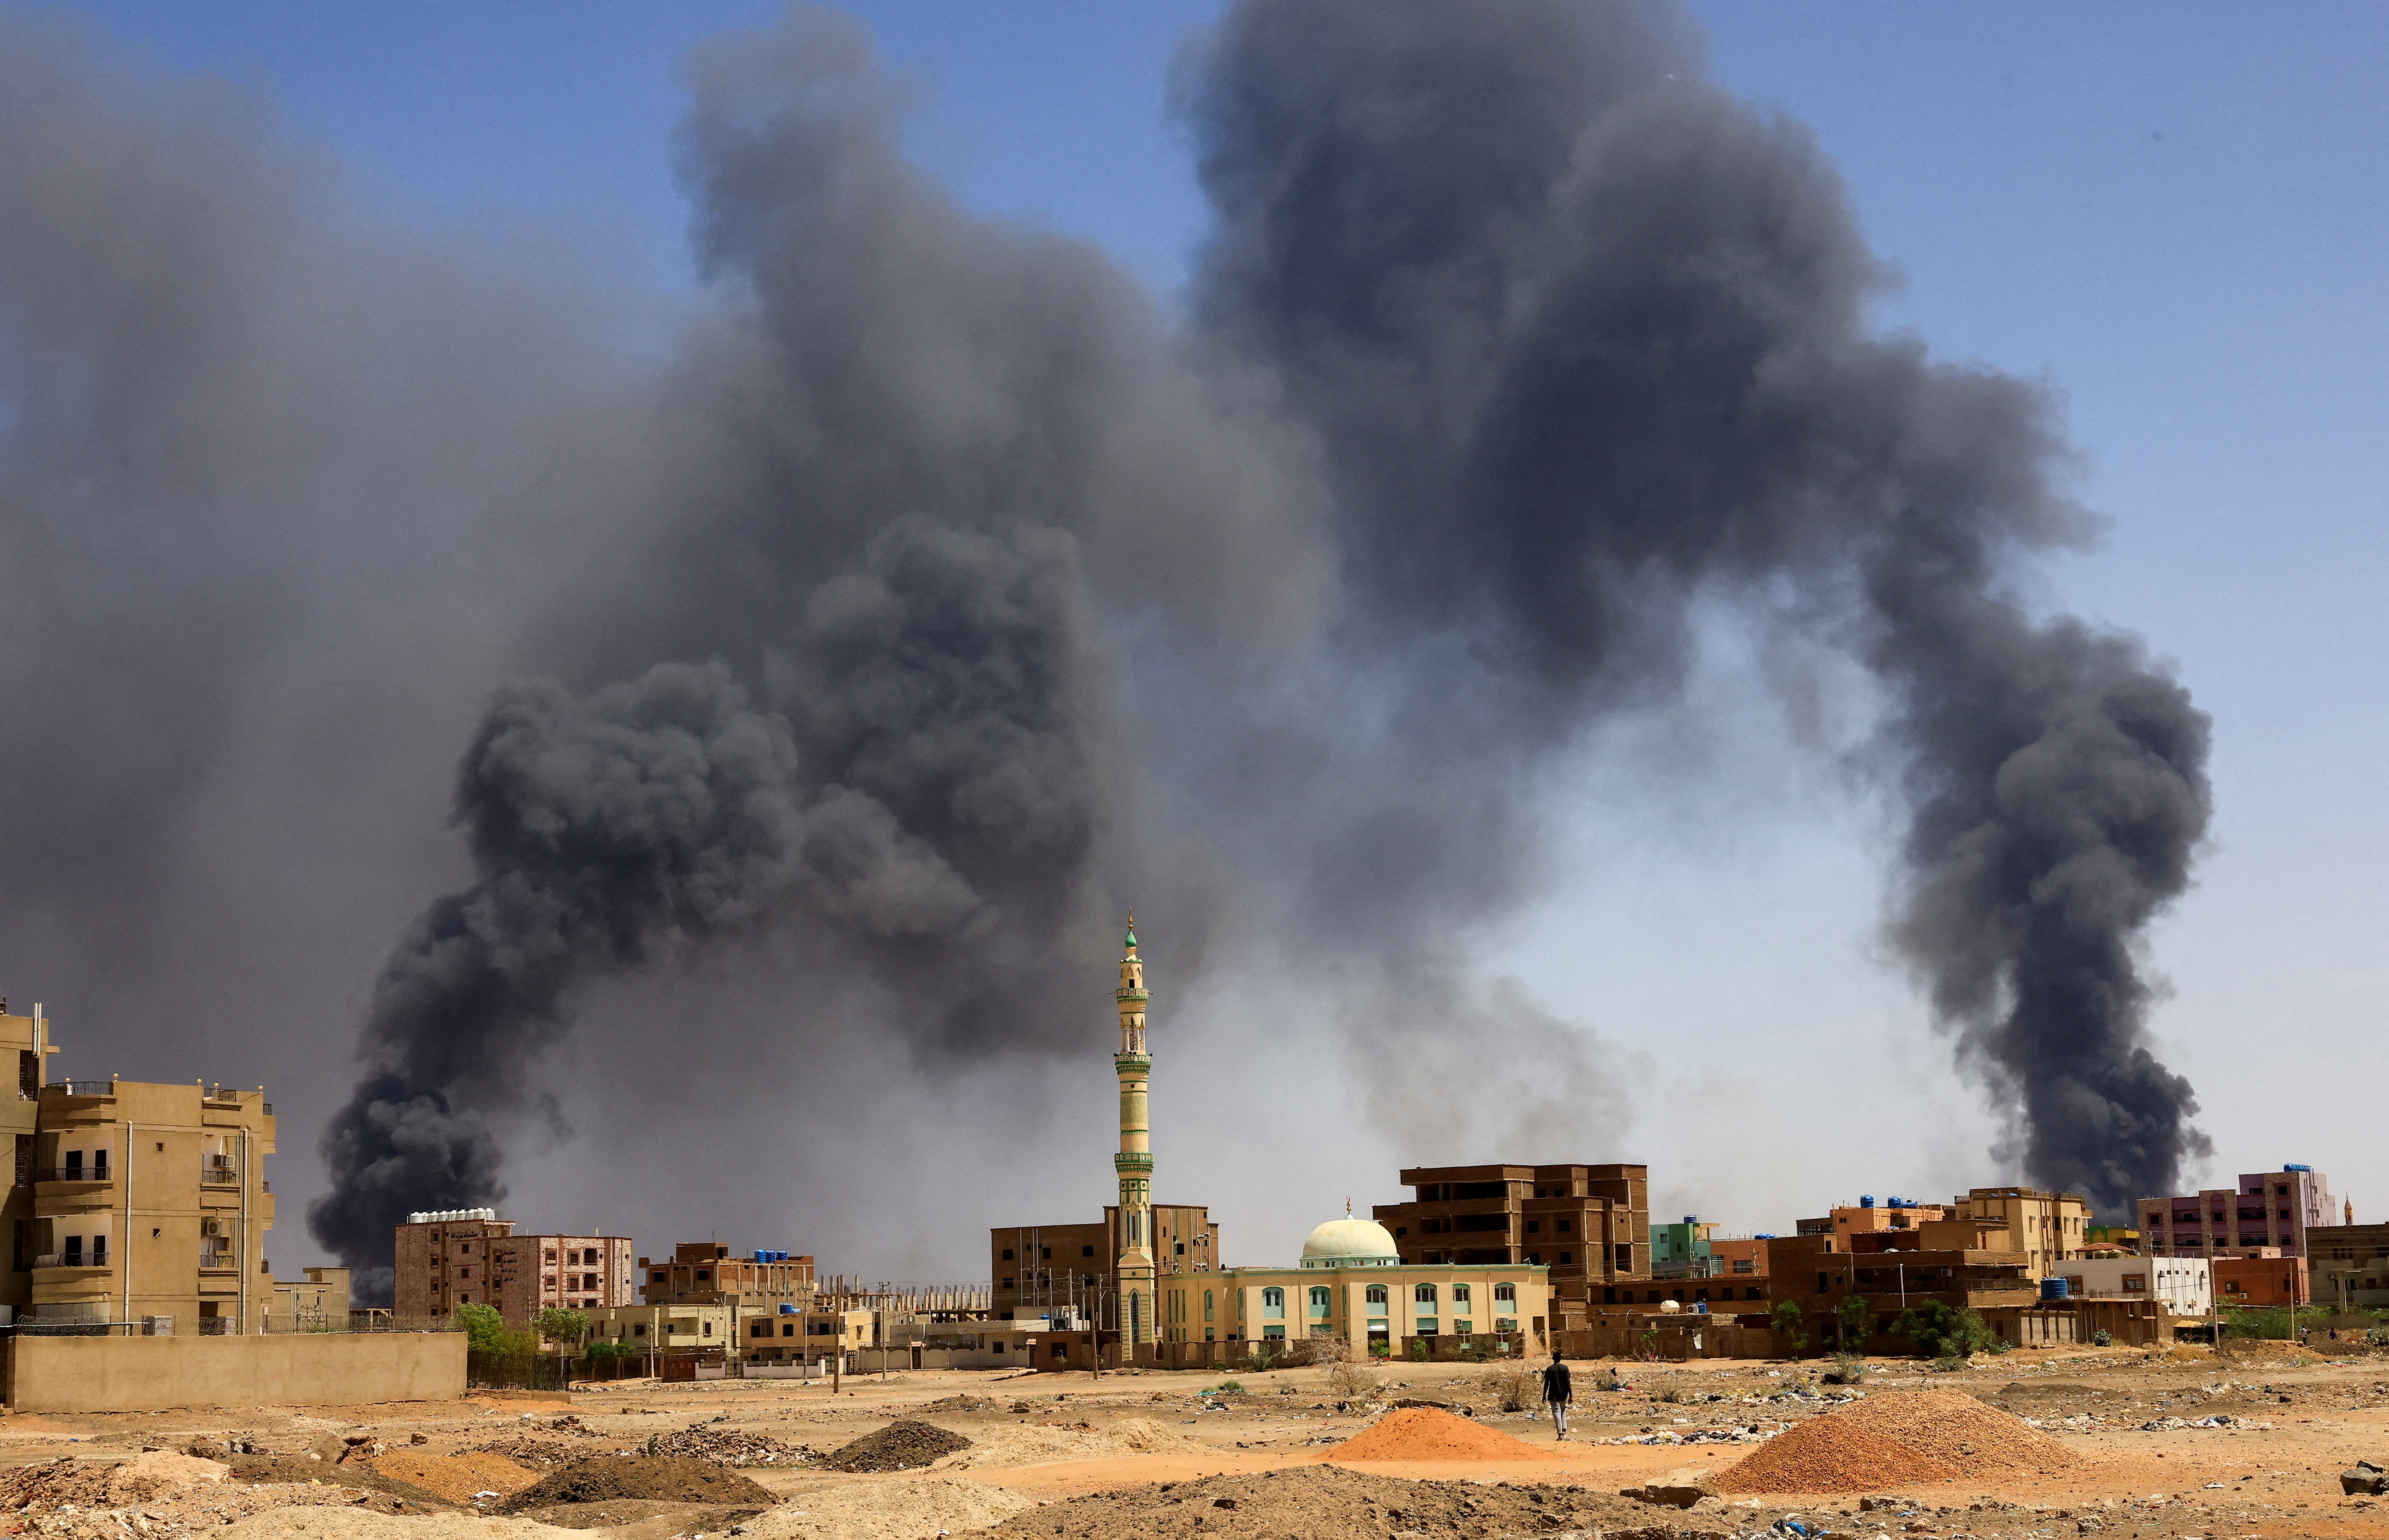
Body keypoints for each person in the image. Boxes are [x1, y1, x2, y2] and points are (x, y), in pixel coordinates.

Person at [1541, 1348, 1573, 1439]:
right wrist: (1571, 1395)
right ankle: (1564, 1430)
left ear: (1553, 1359)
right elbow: (1568, 1382)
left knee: (1556, 1413)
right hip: (1564, 1394)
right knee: (1563, 1411)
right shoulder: (1565, 1368)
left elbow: (1547, 1383)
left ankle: (1560, 1434)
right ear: (1560, 1359)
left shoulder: (1550, 1369)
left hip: (1553, 1394)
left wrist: (1544, 1395)